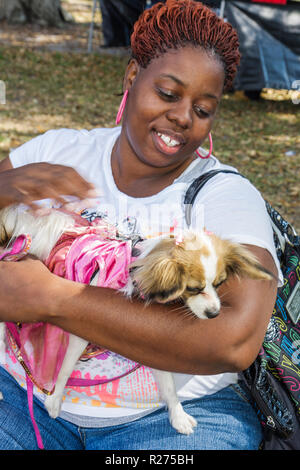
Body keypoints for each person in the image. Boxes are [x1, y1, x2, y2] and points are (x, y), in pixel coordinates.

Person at [0, 0, 280, 450]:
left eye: (203, 108)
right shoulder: (55, 152)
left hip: (174, 419)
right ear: (132, 77)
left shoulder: (224, 195)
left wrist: (54, 299)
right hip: (21, 398)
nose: (183, 116)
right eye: (168, 94)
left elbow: (234, 341)